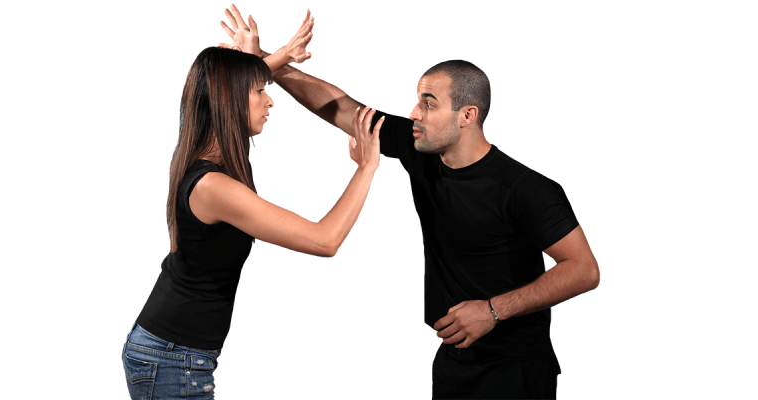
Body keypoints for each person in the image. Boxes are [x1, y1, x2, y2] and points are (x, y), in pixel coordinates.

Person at [220, 5, 600, 399]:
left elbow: (584, 269)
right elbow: (344, 108)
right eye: (418, 101)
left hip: (516, 370)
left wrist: (492, 310)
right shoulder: (421, 148)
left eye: (429, 104)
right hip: (454, 360)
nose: (415, 113)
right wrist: (267, 63)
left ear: (467, 115)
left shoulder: (526, 188)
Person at [122, 11, 386, 400]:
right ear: (231, 100)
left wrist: (274, 56)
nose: (270, 101)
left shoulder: (202, 153)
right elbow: (323, 240)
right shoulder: (214, 187)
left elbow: (221, 88)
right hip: (172, 358)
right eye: (259, 91)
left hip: (172, 350)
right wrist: (366, 167)